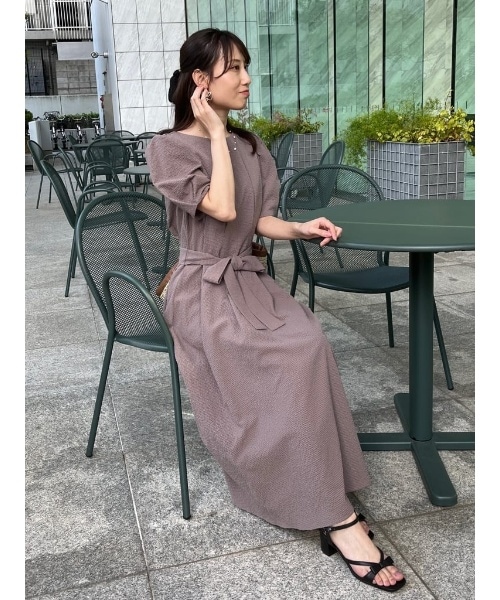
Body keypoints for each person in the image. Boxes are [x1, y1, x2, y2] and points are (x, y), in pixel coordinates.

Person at [146, 28, 406, 593]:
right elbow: (220, 208)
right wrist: (216, 133)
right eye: (233, 69)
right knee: (284, 358)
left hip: (248, 279)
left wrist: (301, 229)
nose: (246, 79)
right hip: (201, 290)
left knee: (308, 344)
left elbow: (256, 220)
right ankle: (337, 519)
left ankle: (319, 485)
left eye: (246, 66)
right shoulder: (167, 148)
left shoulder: (252, 146)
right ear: (200, 80)